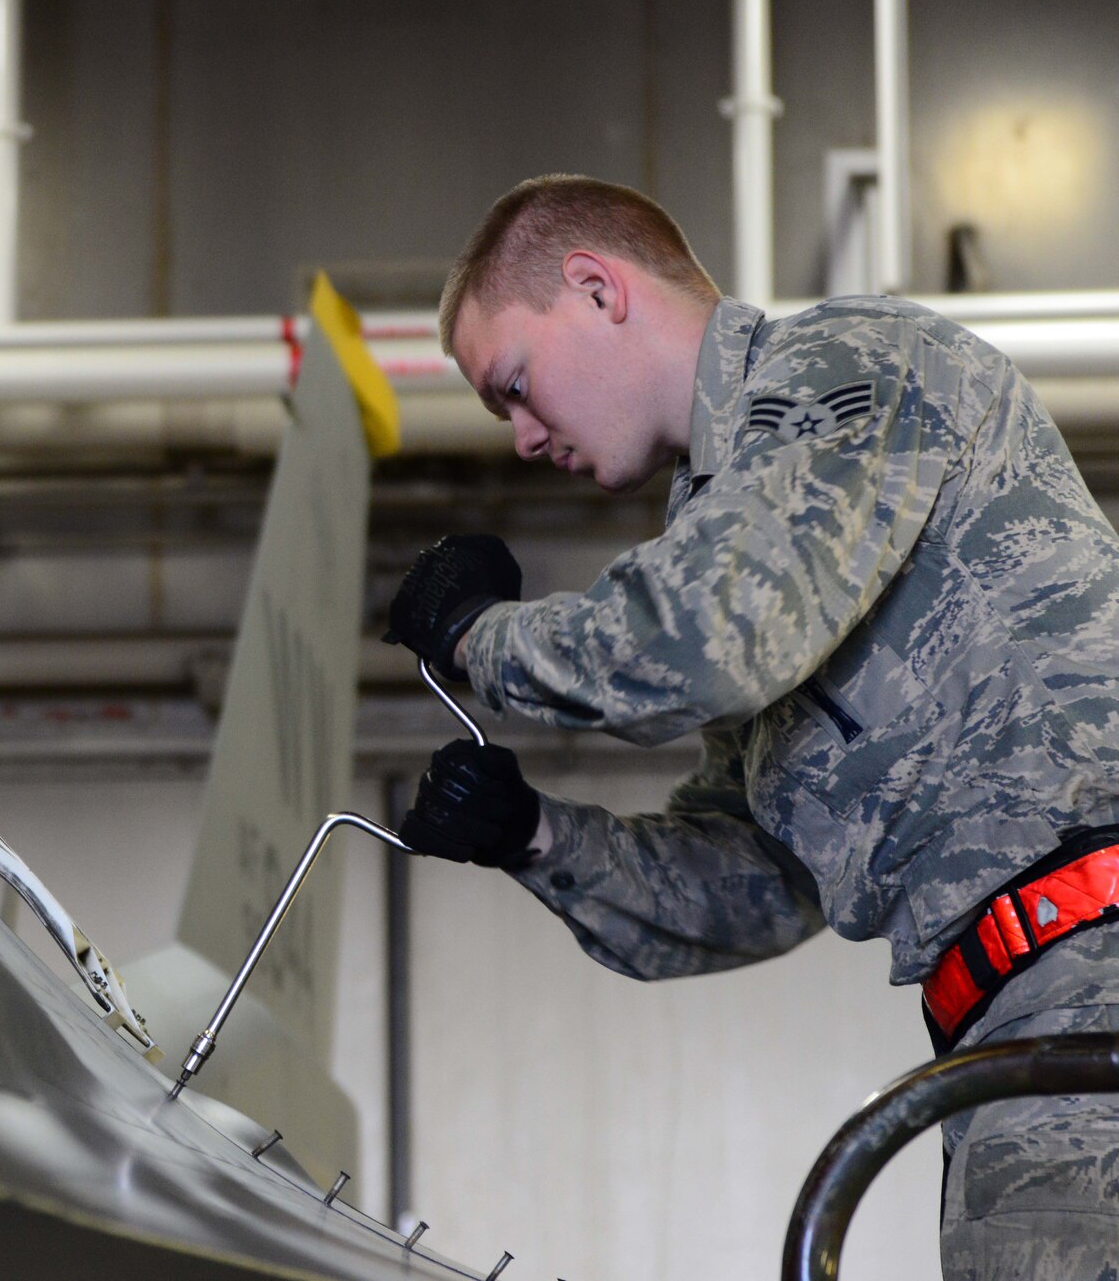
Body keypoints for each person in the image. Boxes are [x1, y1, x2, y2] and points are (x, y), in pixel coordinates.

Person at [384, 174, 1119, 1279]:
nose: (524, 439)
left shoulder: (847, 369)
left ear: (594, 288)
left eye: (517, 387)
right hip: (1020, 1025)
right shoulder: (749, 520)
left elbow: (696, 639)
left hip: (1089, 978)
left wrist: (474, 640)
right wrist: (530, 836)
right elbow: (756, 884)